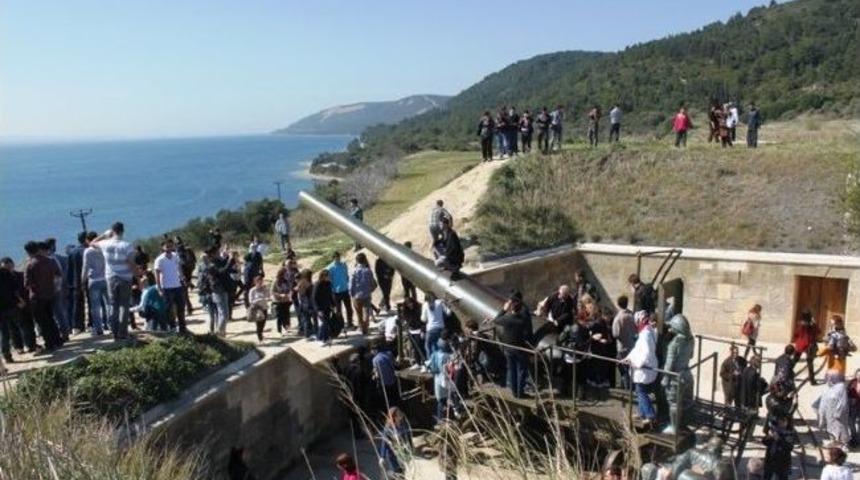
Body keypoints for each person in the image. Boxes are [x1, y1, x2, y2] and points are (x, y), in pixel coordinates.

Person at [90, 223, 135, 341]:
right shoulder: (127, 245)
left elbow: (92, 243)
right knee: (124, 305)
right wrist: (137, 277)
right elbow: (131, 263)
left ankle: (115, 332)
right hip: (125, 277)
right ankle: (123, 332)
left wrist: (104, 235)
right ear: (122, 231)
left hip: (111, 278)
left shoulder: (105, 244)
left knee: (113, 305)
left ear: (112, 231)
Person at [490, 290, 532, 398]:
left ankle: (514, 392)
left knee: (512, 369)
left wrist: (504, 309)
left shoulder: (506, 319)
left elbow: (496, 319)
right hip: (520, 347)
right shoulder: (522, 319)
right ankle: (520, 392)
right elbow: (528, 327)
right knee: (521, 370)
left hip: (508, 347)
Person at [623, 311, 658, 429]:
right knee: (640, 390)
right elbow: (638, 349)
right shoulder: (649, 331)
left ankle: (650, 415)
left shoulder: (646, 334)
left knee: (640, 391)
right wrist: (628, 358)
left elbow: (645, 352)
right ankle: (642, 413)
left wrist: (636, 363)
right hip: (646, 366)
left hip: (644, 367)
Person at [154, 238, 187, 333]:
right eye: (167, 246)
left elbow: (179, 268)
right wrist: (159, 288)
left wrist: (183, 278)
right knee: (169, 309)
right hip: (166, 287)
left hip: (177, 285)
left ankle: (182, 328)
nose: (169, 247)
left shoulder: (175, 256)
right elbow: (157, 274)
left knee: (181, 307)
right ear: (163, 247)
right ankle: (172, 327)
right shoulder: (159, 259)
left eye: (170, 245)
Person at [203, 245, 232, 335]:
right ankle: (219, 332)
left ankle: (221, 332)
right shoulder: (211, 264)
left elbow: (224, 264)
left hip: (223, 289)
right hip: (218, 290)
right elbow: (221, 271)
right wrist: (230, 260)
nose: (219, 253)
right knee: (225, 314)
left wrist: (228, 257)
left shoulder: (217, 261)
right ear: (212, 254)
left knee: (222, 313)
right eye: (217, 252)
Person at [378, 406, 413, 477]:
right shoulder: (388, 429)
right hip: (393, 455)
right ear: (394, 417)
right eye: (398, 414)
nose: (401, 415)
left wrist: (411, 447)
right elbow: (384, 443)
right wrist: (382, 457)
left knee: (404, 471)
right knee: (398, 473)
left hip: (403, 453)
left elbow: (408, 436)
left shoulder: (403, 424)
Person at [818, 372, 851, 445]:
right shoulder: (827, 388)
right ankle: (834, 443)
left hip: (838, 416)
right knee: (831, 430)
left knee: (840, 431)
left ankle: (842, 446)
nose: (827, 380)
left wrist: (838, 414)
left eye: (829, 378)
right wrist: (822, 415)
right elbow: (823, 401)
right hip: (829, 414)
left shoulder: (841, 387)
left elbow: (843, 403)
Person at [428, 331, 455, 422]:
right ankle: (453, 416)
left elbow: (432, 367)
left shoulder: (435, 353)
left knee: (441, 400)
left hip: (438, 377)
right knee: (452, 397)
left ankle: (440, 420)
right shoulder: (449, 355)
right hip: (447, 378)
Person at [612, 295, 636, 389]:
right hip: (632, 346)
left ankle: (626, 389)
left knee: (623, 369)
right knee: (631, 368)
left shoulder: (618, 318)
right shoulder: (632, 315)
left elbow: (615, 334)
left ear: (618, 304)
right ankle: (631, 388)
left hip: (622, 347)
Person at [350, 253, 376, 335]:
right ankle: (365, 329)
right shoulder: (368, 270)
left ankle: (361, 328)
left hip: (356, 296)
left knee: (359, 313)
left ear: (357, 261)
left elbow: (351, 284)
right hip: (366, 295)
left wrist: (352, 293)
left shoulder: (353, 271)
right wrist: (370, 290)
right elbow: (373, 283)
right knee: (366, 313)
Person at [762, 415, 794, 480]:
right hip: (770, 460)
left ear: (787, 422)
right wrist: (769, 436)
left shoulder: (790, 433)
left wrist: (779, 439)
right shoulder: (774, 429)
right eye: (780, 420)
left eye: (784, 421)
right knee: (766, 477)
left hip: (783, 462)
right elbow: (764, 442)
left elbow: (789, 447)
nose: (781, 422)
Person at [792, 311, 819, 385]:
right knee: (810, 364)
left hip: (800, 344)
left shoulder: (800, 324)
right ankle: (812, 380)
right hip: (809, 345)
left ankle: (787, 374)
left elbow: (796, 334)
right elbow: (818, 331)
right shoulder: (812, 325)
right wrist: (814, 323)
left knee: (794, 361)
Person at [328, 252, 353, 329]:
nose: (338, 259)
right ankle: (341, 325)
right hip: (336, 292)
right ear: (333, 258)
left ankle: (350, 323)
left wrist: (347, 282)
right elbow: (330, 280)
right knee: (339, 310)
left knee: (349, 308)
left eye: (339, 257)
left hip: (345, 290)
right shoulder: (330, 268)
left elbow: (346, 275)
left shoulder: (343, 265)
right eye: (336, 258)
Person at [422, 292, 447, 363]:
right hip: (441, 328)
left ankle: (431, 362)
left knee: (428, 347)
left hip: (431, 329)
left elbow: (423, 319)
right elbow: (448, 313)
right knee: (439, 346)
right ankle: (440, 362)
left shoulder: (425, 305)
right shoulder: (440, 302)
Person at [372, 343, 400, 407]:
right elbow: (395, 364)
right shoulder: (389, 353)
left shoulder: (375, 360)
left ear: (375, 350)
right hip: (393, 379)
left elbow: (377, 375)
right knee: (395, 396)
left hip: (384, 383)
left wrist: (374, 377)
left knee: (387, 399)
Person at [313, 269, 335, 344]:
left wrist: (333, 304)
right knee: (324, 323)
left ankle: (323, 338)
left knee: (327, 322)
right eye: (328, 276)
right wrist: (318, 310)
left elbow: (330, 295)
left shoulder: (328, 283)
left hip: (327, 306)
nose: (329, 277)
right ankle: (321, 338)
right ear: (323, 276)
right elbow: (314, 298)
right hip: (320, 307)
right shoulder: (318, 284)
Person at [270, 266, 293, 334]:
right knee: (279, 316)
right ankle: (279, 331)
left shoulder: (286, 281)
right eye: (285, 273)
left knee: (287, 315)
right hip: (278, 301)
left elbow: (289, 289)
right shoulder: (276, 281)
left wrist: (289, 294)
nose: (287, 274)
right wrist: (280, 295)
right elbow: (272, 291)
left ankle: (287, 328)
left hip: (286, 301)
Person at [248, 275, 269, 342]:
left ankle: (261, 334)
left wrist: (266, 290)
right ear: (255, 282)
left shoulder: (264, 289)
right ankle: (260, 338)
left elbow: (268, 296)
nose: (260, 283)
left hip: (264, 308)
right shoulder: (252, 290)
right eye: (258, 282)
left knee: (263, 323)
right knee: (258, 324)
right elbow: (251, 301)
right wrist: (259, 299)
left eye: (261, 282)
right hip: (257, 309)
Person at [295, 269, 316, 338]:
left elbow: (300, 293)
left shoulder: (301, 283)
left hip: (304, 303)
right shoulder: (307, 283)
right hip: (308, 303)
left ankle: (307, 334)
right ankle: (314, 332)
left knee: (306, 319)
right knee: (312, 319)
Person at [848, 369, 860, 446]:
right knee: (851, 422)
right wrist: (850, 399)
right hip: (853, 406)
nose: (859, 377)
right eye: (858, 375)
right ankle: (853, 437)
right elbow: (847, 393)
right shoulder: (852, 382)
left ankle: (858, 439)